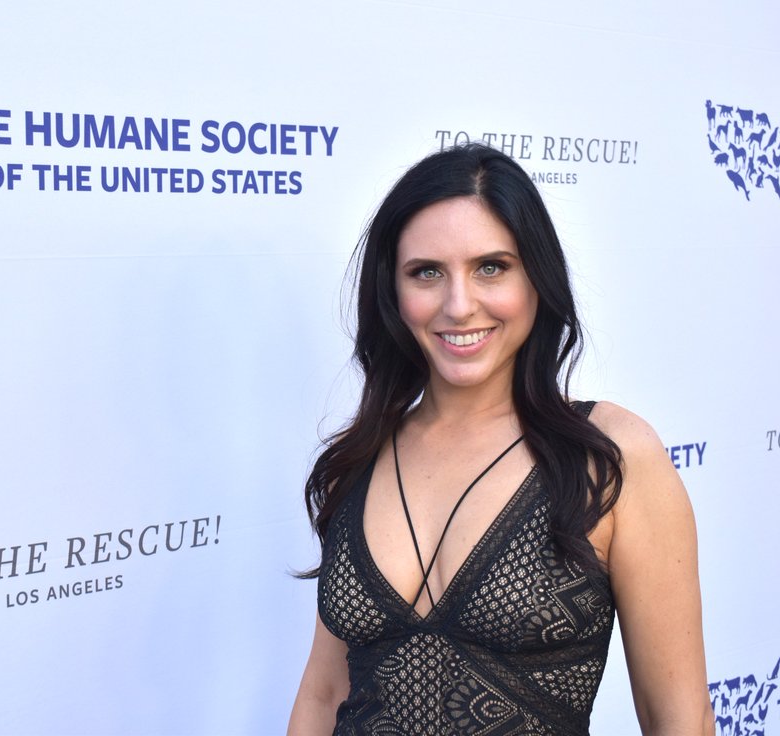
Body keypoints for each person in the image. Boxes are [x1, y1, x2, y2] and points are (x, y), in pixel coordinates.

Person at [287, 143, 713, 735]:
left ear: (536, 277)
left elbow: (680, 721)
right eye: (427, 272)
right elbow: (324, 693)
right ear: (393, 290)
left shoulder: (609, 457)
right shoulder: (359, 459)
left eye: (491, 267)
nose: (459, 305)